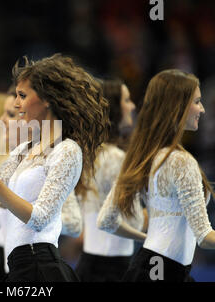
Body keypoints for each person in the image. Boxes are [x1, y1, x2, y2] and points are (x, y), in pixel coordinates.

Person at [0, 54, 109, 282]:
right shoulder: (24, 150)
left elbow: (40, 218)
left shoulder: (67, 150)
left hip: (40, 266)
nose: (16, 103)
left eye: (22, 96)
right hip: (19, 266)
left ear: (47, 98)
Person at [97, 69, 215, 282]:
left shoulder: (145, 154)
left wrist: (149, 238)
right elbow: (204, 236)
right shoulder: (180, 160)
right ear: (177, 106)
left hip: (156, 265)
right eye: (197, 102)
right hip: (162, 270)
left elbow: (106, 221)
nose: (203, 109)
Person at [75, 79, 146, 282]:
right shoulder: (115, 158)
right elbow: (133, 221)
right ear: (113, 109)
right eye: (126, 100)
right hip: (113, 267)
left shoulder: (88, 155)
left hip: (89, 263)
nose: (132, 106)